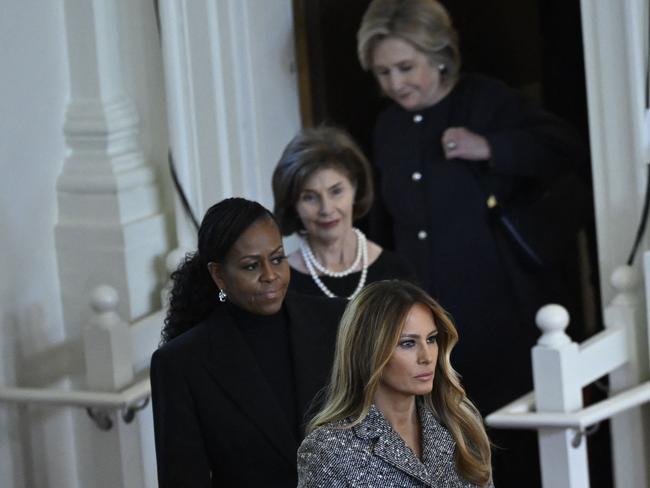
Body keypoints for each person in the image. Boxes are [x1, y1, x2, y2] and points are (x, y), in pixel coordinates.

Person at [356, 1, 588, 485]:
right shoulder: (387, 128)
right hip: (424, 329)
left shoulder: (485, 100)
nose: (395, 84)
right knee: (448, 449)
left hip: (502, 311)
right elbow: (383, 223)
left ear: (439, 55)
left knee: (514, 443)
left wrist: (491, 147)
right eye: (383, 72)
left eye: (405, 67)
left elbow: (566, 149)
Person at [150, 197, 346, 487]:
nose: (270, 276)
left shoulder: (337, 320)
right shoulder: (181, 363)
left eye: (277, 259)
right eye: (251, 266)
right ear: (218, 275)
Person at [297, 280, 493, 487]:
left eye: (431, 339)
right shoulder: (327, 450)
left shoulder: (460, 425)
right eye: (408, 343)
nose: (426, 357)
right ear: (368, 351)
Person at [272, 126, 414, 301]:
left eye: (336, 191)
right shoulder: (279, 282)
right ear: (293, 204)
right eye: (309, 197)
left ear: (355, 188)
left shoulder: (396, 272)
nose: (326, 209)